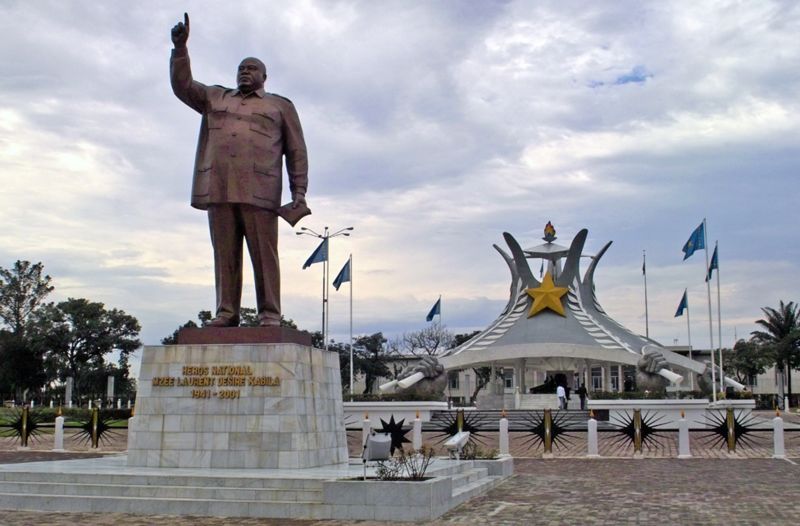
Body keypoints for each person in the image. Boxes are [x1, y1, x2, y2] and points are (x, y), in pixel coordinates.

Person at [170, 13, 308, 327]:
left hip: (260, 191)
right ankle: (226, 312)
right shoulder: (215, 97)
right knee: (224, 255)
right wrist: (180, 50)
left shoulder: (279, 106)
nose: (245, 72)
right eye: (241, 68)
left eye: (252, 68)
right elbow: (183, 86)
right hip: (218, 187)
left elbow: (296, 151)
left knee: (264, 255)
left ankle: (270, 313)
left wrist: (298, 193)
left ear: (264, 76)